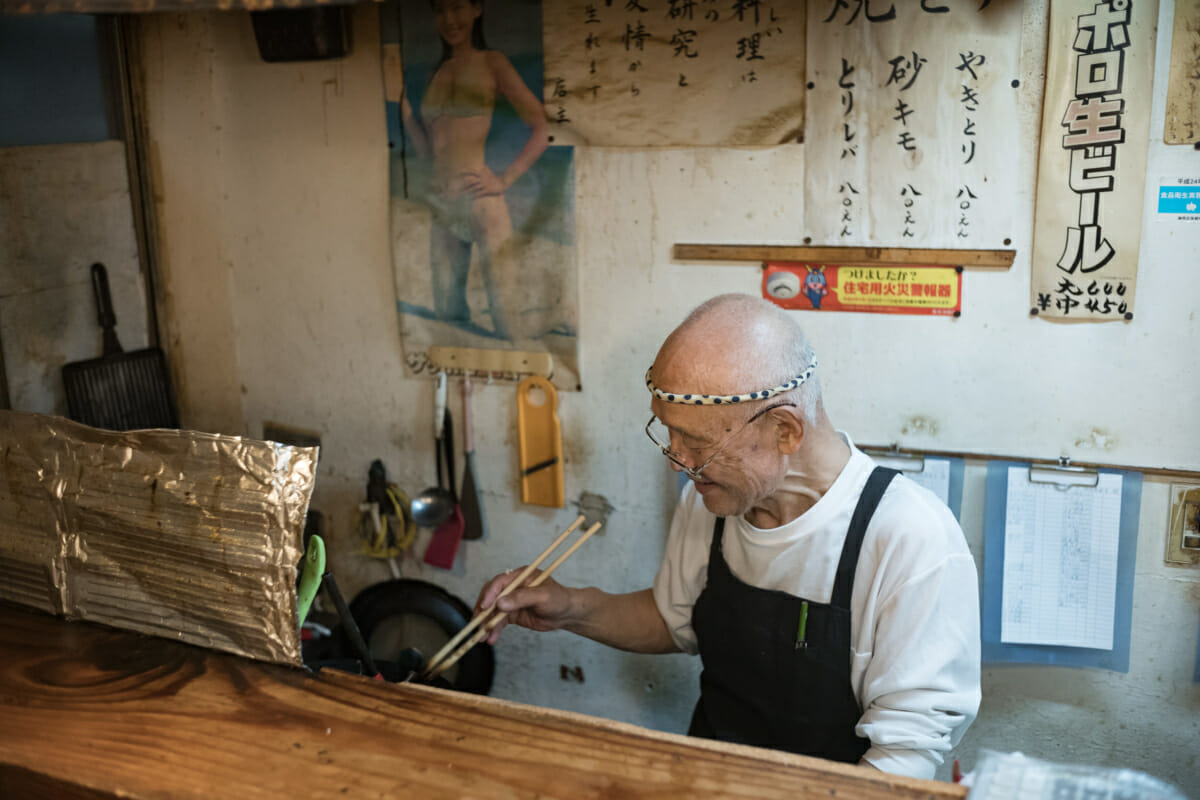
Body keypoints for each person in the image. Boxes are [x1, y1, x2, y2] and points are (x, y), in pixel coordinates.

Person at [475, 293, 981, 779]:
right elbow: (674, 619)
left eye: (695, 442)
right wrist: (568, 606)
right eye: (668, 432)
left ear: (786, 430)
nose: (677, 459)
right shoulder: (711, 498)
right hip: (707, 781)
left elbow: (902, 759)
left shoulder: (908, 538)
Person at [400, 0, 549, 338]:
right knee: (448, 316)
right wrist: (404, 107)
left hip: (481, 202)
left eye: (457, 8)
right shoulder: (434, 72)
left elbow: (542, 127)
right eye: (439, 10)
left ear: (476, 9)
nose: (448, 20)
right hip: (442, 205)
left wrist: (505, 178)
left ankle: (557, 317)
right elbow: (428, 150)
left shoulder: (492, 63)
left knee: (508, 326)